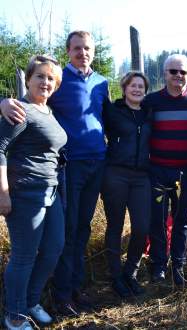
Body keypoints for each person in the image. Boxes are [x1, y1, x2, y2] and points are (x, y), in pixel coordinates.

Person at [0, 30, 109, 316]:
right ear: (68, 50)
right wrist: (2, 101)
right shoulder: (46, 90)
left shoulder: (101, 83)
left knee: (69, 237)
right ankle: (50, 300)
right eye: (77, 48)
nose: (82, 53)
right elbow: (19, 115)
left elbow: (104, 116)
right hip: (58, 173)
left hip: (85, 168)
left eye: (87, 48)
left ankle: (64, 291)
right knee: (56, 239)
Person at [0, 55, 66, 330]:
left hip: (50, 192)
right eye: (40, 76)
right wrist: (3, 193)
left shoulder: (48, 111)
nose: (46, 82)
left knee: (53, 249)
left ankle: (30, 301)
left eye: (51, 78)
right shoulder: (19, 109)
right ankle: (14, 315)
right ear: (28, 78)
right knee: (24, 255)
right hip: (26, 193)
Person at [143, 54, 187, 287]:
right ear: (164, 74)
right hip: (158, 171)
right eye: (173, 71)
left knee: (181, 221)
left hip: (185, 174)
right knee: (158, 220)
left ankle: (177, 266)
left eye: (183, 72)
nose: (178, 76)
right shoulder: (151, 101)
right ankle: (158, 265)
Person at [101, 72, 151, 298]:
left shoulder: (150, 113)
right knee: (115, 226)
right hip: (115, 175)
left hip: (142, 177)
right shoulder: (112, 111)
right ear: (124, 88)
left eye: (141, 86)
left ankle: (130, 272)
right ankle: (115, 276)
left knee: (142, 227)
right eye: (133, 86)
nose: (137, 90)